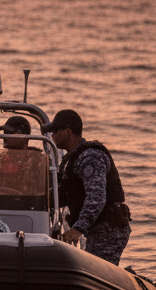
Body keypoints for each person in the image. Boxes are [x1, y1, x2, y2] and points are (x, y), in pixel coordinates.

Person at [43, 108, 131, 265]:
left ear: (68, 132)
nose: (53, 136)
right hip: (96, 229)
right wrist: (37, 201)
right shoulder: (71, 160)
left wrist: (78, 229)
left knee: (102, 272)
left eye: (56, 131)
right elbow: (64, 196)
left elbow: (96, 198)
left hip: (108, 229)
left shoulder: (90, 157)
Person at [0, 116, 47, 195]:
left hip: (27, 206)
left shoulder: (40, 161)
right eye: (4, 133)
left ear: (23, 136)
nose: (5, 137)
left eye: (9, 133)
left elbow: (46, 196)